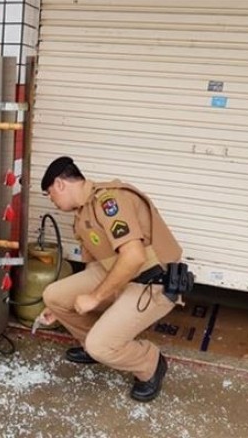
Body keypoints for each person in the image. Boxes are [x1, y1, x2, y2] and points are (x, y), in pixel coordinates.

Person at [38, 156, 183, 402]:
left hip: (151, 282)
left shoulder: (109, 201)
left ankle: (150, 363)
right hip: (116, 274)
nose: (52, 200)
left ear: (60, 184)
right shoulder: (82, 213)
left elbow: (134, 256)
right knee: (53, 296)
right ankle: (94, 345)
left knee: (101, 345)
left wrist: (95, 298)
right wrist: (61, 307)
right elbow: (93, 264)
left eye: (50, 193)